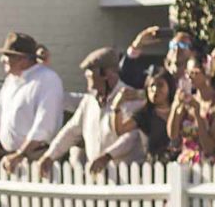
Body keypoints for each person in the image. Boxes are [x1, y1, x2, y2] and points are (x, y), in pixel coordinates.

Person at [0, 32, 65, 176]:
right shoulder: (11, 81)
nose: (2, 59)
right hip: (12, 160)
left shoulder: (47, 80)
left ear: (23, 59)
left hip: (37, 159)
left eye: (7, 55)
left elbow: (44, 127)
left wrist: (19, 154)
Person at [36, 48, 145, 178]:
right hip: (98, 176)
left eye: (91, 76)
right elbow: (71, 130)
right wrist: (50, 155)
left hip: (127, 175)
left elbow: (131, 136)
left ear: (106, 74)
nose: (89, 84)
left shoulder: (130, 98)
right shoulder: (89, 100)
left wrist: (107, 156)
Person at [169, 65, 215, 164]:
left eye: (194, 72)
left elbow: (209, 148)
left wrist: (197, 114)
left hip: (207, 165)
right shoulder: (189, 101)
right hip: (185, 162)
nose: (189, 76)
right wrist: (175, 106)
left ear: (207, 73)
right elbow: (173, 135)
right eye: (188, 72)